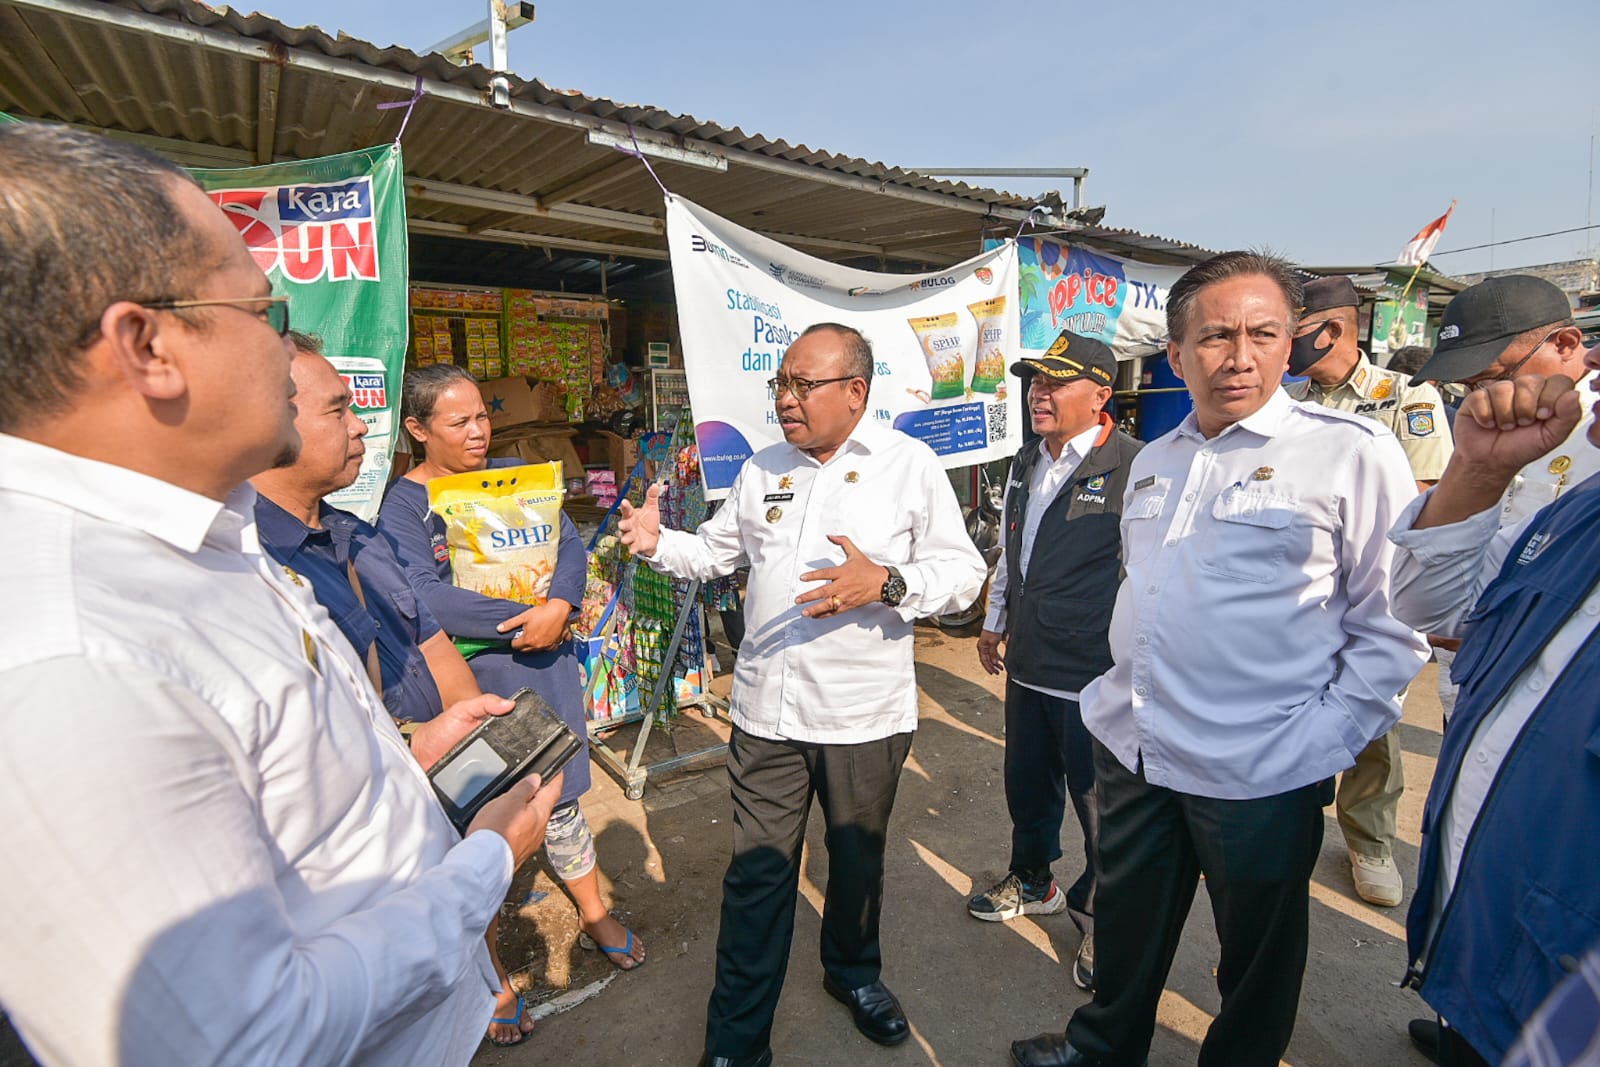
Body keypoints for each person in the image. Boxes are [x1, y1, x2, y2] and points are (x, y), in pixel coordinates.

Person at [0, 123, 560, 1067]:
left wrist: (402, 753)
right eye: (265, 312)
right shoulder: (75, 651)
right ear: (146, 346)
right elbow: (243, 1042)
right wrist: (486, 863)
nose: (289, 349)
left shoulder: (199, 536)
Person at [1010, 251, 1428, 1067]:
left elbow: (1394, 623)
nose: (1239, 356)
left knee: (1256, 959)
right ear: (1176, 354)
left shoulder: (1351, 451)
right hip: (1139, 749)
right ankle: (1102, 1048)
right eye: (1215, 336)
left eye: (1262, 333)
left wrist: (1323, 741)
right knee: (1128, 927)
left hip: (1262, 767)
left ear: (1290, 343)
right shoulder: (1158, 461)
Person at [617, 323, 985, 1067]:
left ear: (856, 391)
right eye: (780, 384)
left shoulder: (907, 466)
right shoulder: (762, 469)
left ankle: (853, 973)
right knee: (757, 876)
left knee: (855, 863)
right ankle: (736, 1045)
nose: (785, 398)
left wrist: (886, 581)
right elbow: (716, 553)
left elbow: (964, 572)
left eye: (801, 385)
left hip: (863, 714)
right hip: (764, 711)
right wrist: (659, 542)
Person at [250, 335, 538, 1046]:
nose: (360, 427)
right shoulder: (248, 571)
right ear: (268, 422)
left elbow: (432, 643)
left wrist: (479, 745)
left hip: (432, 778)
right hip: (356, 855)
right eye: (339, 409)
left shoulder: (356, 533)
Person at [378, 364, 646, 976]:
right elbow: (419, 593)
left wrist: (561, 605)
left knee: (563, 800)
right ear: (418, 429)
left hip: (543, 664)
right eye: (459, 421)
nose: (478, 431)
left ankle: (593, 911)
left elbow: (566, 544)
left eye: (482, 415)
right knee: (477, 822)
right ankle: (492, 973)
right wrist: (529, 612)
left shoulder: (510, 480)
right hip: (472, 683)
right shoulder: (405, 505)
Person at [1387, 334, 1600, 1067]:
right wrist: (1475, 472)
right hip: (1503, 947)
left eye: (1497, 371)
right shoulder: (1578, 514)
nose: (1594, 368)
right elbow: (1435, 610)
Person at [968, 330, 1143, 996]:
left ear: (1101, 394)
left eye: (1055, 381)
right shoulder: (1026, 461)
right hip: (1029, 660)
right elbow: (1014, 552)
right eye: (1034, 381)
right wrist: (992, 622)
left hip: (1094, 671)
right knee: (1027, 782)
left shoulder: (1135, 464)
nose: (1038, 392)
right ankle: (1033, 877)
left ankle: (1105, 917)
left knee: (1100, 803)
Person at [1284, 275, 1454, 908]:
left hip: (1374, 583)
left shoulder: (1405, 398)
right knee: (1289, 700)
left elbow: (1429, 500)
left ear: (1333, 328)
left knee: (1370, 719)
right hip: (1299, 584)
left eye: (1295, 330)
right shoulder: (1288, 397)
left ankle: (1369, 836)